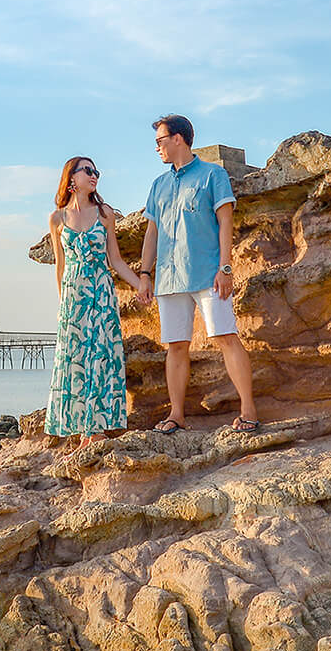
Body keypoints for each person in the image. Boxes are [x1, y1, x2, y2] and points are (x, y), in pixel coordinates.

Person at [134, 114, 259, 433]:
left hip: (207, 273)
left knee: (225, 337)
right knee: (175, 345)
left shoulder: (212, 175)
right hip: (167, 277)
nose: (157, 148)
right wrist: (145, 273)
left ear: (178, 139)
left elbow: (226, 223)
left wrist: (226, 268)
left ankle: (249, 410)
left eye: (160, 141)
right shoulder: (158, 185)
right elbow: (152, 232)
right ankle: (176, 414)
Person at [47, 155, 144, 442]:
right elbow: (60, 266)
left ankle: (97, 428)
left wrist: (140, 285)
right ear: (71, 178)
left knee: (101, 356)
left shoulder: (105, 213)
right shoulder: (57, 218)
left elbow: (115, 260)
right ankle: (81, 431)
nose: (94, 176)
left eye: (96, 172)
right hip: (73, 297)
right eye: (88, 171)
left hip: (101, 293)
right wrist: (61, 304)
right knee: (75, 359)